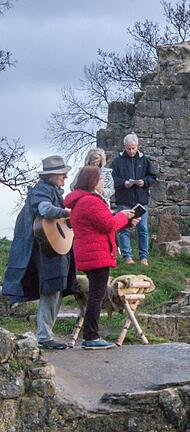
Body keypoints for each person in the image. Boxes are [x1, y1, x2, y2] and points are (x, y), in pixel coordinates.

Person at [2, 155, 77, 350]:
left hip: (51, 249)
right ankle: (44, 336)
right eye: (62, 174)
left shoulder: (51, 189)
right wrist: (66, 213)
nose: (65, 177)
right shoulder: (41, 190)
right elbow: (44, 210)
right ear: (51, 175)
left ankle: (46, 334)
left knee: (55, 287)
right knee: (51, 288)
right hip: (44, 250)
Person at [64, 166, 138, 350]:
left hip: (90, 253)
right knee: (97, 296)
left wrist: (126, 222)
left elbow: (101, 226)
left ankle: (91, 335)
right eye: (101, 180)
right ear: (93, 182)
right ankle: (91, 337)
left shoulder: (81, 201)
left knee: (97, 295)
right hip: (96, 255)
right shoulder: (91, 201)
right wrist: (122, 216)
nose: (103, 183)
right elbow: (108, 224)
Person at [111, 133, 157, 265]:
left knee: (142, 229)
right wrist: (124, 183)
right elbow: (112, 179)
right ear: (124, 147)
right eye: (128, 148)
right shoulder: (117, 162)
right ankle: (127, 257)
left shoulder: (145, 160)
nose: (131, 151)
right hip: (124, 201)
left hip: (141, 201)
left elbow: (153, 177)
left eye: (133, 148)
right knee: (123, 229)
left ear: (137, 146)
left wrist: (144, 182)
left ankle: (144, 257)